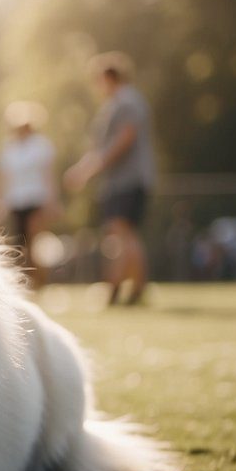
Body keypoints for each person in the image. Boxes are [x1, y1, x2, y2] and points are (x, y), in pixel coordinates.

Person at [64, 52, 157, 306]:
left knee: (122, 233)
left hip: (128, 180)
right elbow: (99, 148)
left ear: (108, 77)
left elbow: (125, 138)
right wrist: (83, 170)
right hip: (119, 182)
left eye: (98, 80)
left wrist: (94, 168)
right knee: (121, 235)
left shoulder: (127, 100)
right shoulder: (113, 105)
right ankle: (128, 289)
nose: (97, 87)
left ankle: (124, 289)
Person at [0, 100, 58, 288]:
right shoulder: (8, 148)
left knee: (34, 240)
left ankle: (40, 280)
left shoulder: (41, 145)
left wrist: (51, 201)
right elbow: (3, 177)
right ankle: (25, 281)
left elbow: (47, 176)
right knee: (19, 243)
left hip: (36, 198)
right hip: (15, 200)